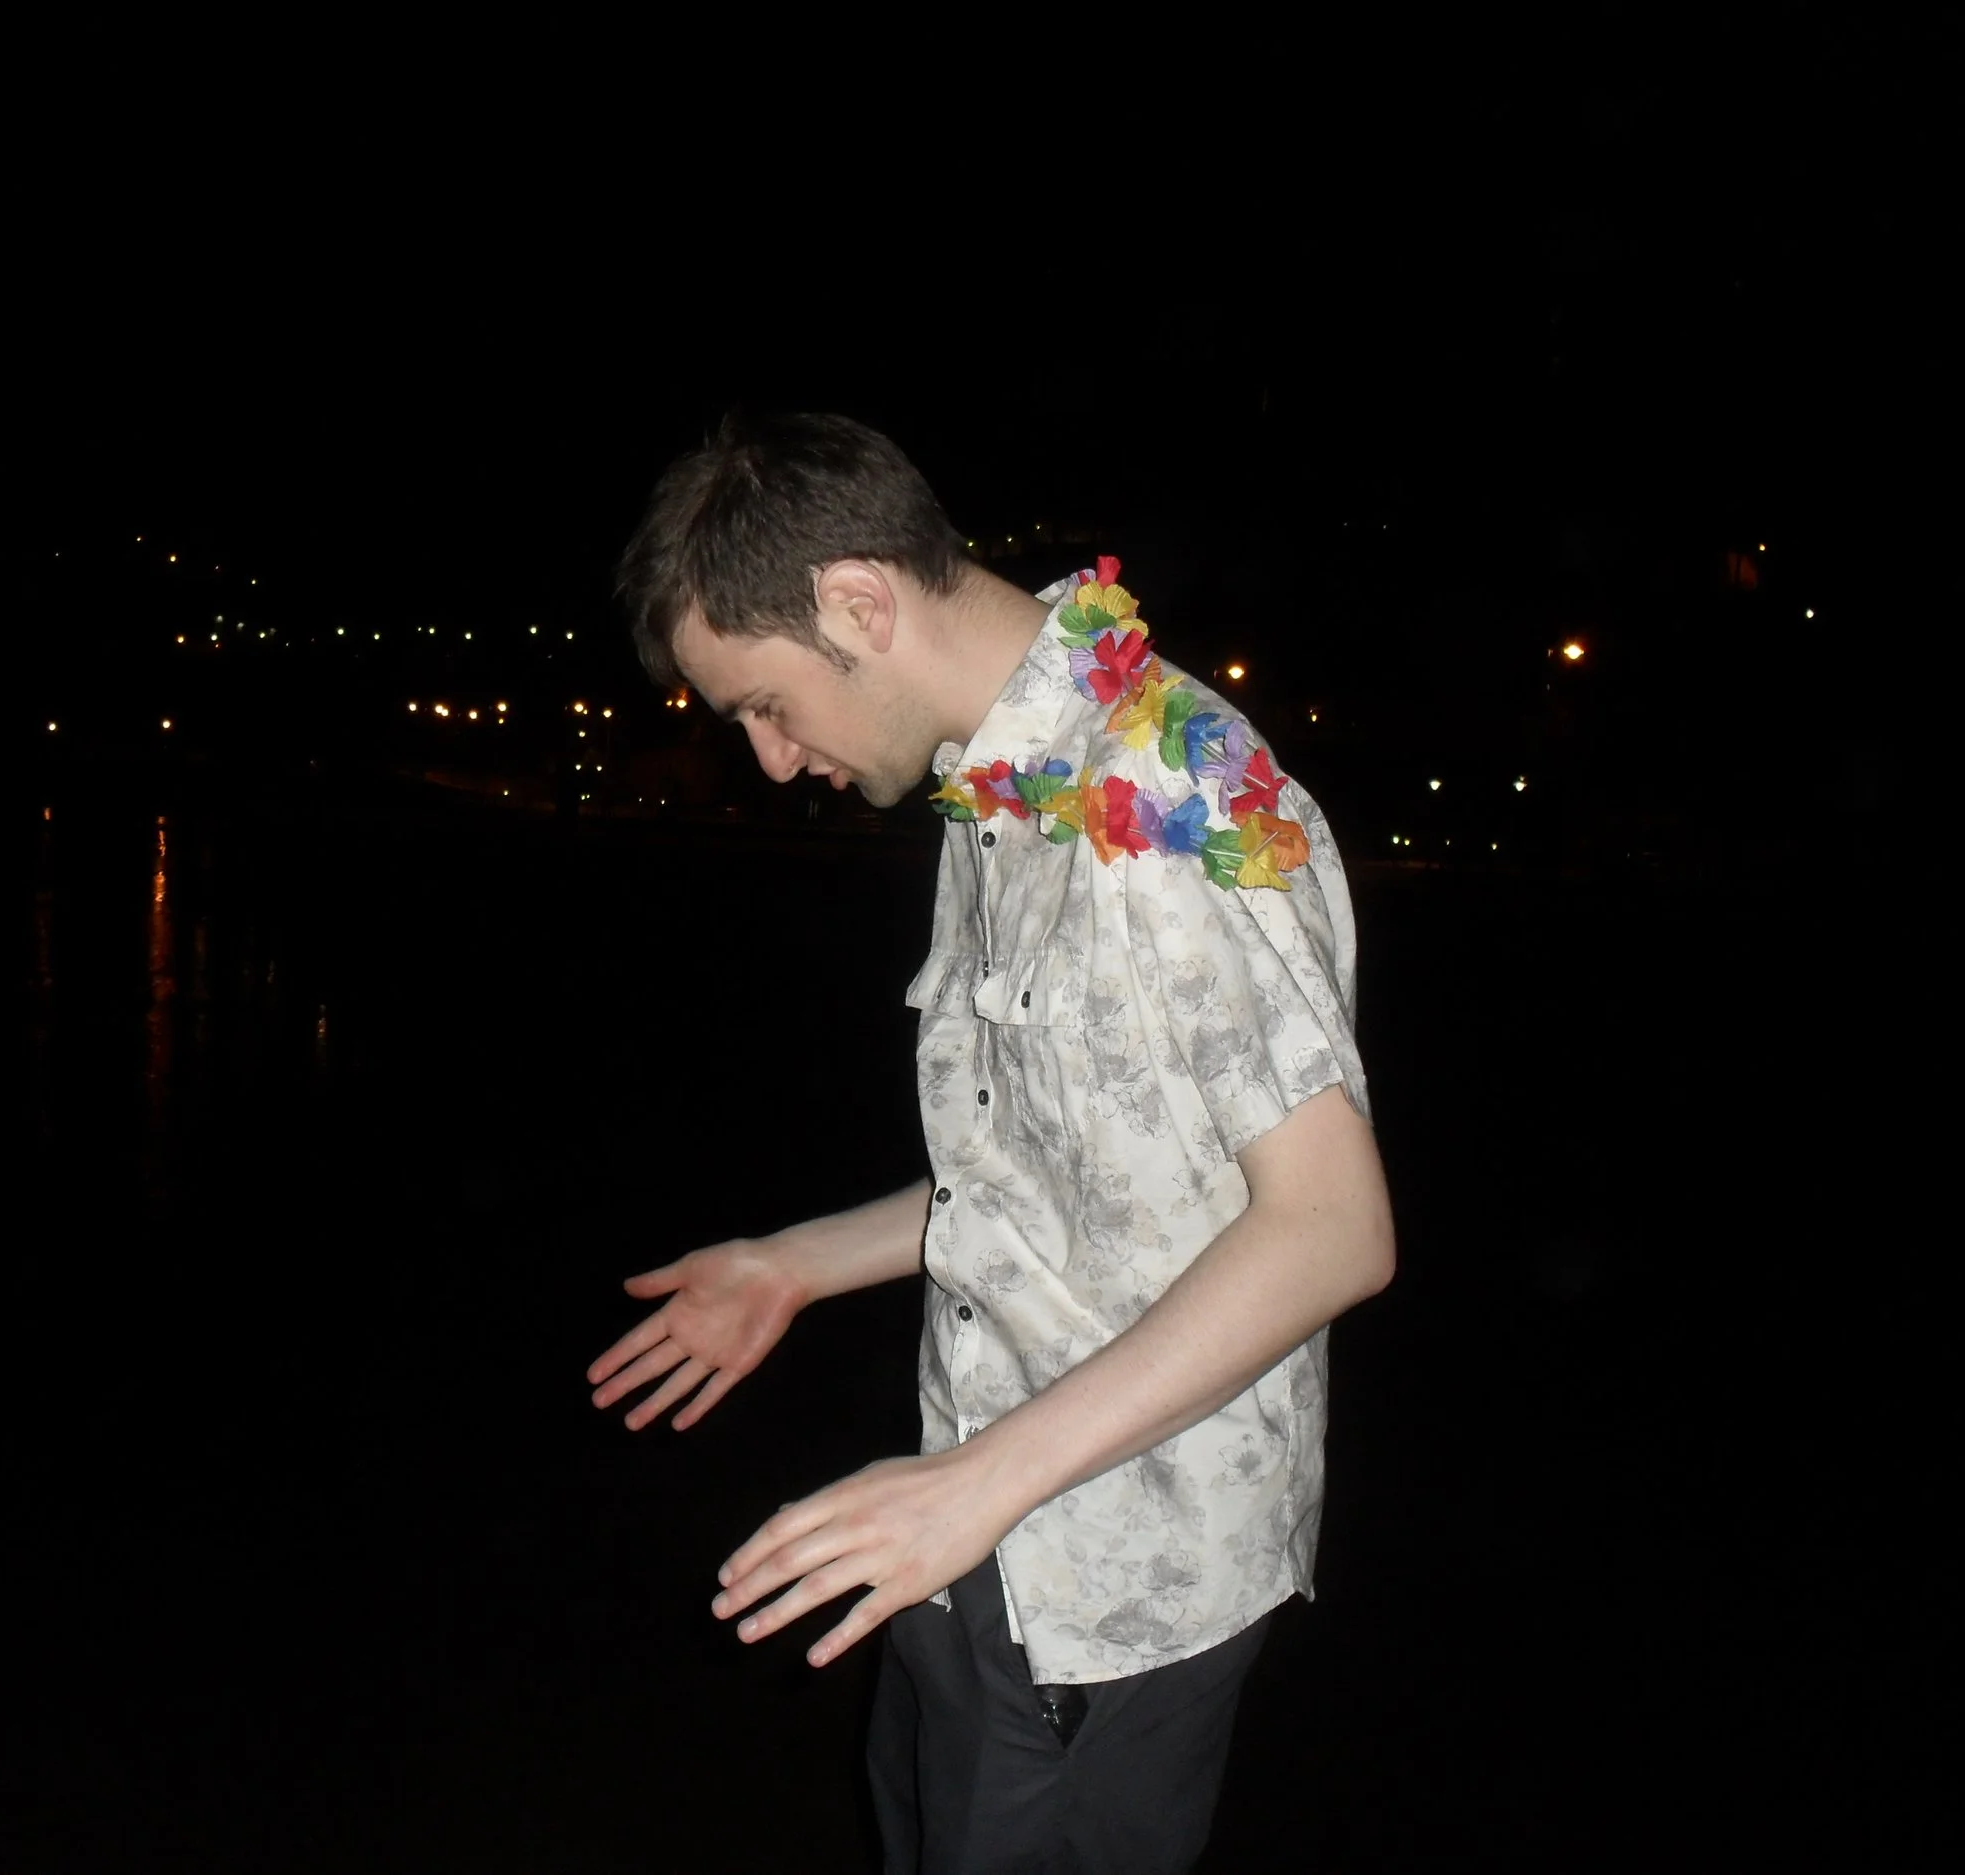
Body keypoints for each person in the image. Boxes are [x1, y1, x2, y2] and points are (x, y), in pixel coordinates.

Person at [588, 412, 1396, 1874]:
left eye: (765, 704)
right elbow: (1045, 1179)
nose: (770, 759)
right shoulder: (1005, 784)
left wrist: (978, 1486)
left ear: (858, 603)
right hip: (972, 1536)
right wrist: (793, 1264)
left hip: (1105, 1595)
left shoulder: (1168, 806)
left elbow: (1332, 1229)